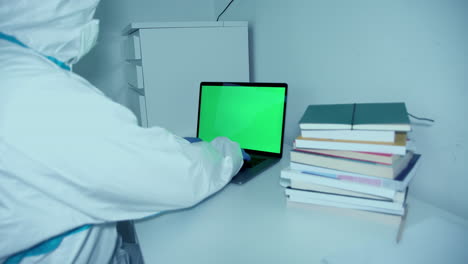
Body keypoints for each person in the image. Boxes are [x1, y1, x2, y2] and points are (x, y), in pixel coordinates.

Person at [0, 0, 245, 263]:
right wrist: (229, 150)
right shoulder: (39, 94)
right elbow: (183, 174)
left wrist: (172, 144)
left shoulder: (13, 67)